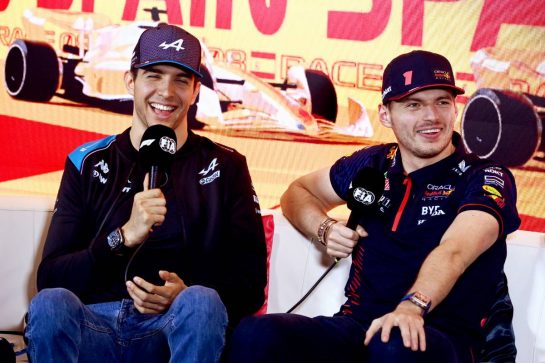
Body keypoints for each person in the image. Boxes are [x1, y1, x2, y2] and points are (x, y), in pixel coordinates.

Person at [227, 50, 520, 362]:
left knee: (393, 343)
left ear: (454, 109)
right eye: (414, 105)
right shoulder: (373, 163)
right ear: (385, 115)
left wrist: (412, 306)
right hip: (357, 328)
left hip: (440, 338)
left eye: (442, 102)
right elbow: (296, 192)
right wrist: (324, 229)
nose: (432, 116)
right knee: (256, 333)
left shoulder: (486, 175)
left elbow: (456, 251)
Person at [24, 23, 267, 363]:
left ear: (196, 90)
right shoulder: (88, 161)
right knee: (51, 305)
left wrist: (182, 293)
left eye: (181, 79)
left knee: (201, 302)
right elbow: (50, 278)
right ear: (131, 81)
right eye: (154, 75)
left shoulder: (226, 166)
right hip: (96, 330)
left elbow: (251, 283)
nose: (166, 92)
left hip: (175, 330)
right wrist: (122, 238)